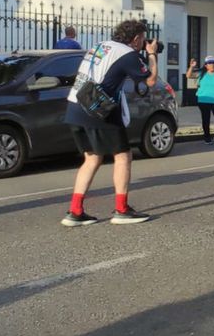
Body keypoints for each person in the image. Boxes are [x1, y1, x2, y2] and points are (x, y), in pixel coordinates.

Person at [60, 19, 158, 226]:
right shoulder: (127, 53)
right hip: (98, 110)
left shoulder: (100, 46)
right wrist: (151, 54)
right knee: (123, 156)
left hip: (75, 105)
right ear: (137, 38)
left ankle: (75, 211)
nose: (143, 42)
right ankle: (121, 209)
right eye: (142, 39)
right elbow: (150, 81)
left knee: (92, 158)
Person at [186, 56, 214, 144]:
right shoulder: (201, 73)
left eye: (213, 63)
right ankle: (207, 138)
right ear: (206, 65)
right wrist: (191, 67)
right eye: (209, 63)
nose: (211, 65)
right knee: (206, 119)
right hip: (204, 100)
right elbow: (188, 76)